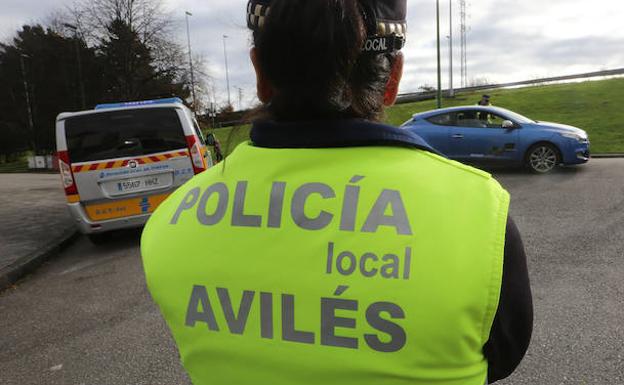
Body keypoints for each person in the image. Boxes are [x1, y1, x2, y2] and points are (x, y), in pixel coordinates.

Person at [141, 1, 533, 385]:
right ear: (392, 79)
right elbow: (500, 359)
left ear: (259, 72)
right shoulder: (479, 213)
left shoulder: (169, 224)